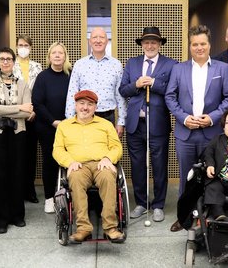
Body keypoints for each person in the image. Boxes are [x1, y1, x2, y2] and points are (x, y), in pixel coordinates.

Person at [165, 25, 228, 232]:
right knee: (186, 177)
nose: (199, 48)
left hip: (211, 133)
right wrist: (184, 118)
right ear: (190, 46)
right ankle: (184, 217)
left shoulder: (222, 69)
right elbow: (170, 96)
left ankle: (212, 214)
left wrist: (212, 118)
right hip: (185, 134)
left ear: (209, 45)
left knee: (212, 175)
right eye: (195, 44)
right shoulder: (179, 69)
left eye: (203, 43)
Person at [119, 27, 177, 222]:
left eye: (154, 42)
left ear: (159, 44)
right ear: (142, 45)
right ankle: (142, 203)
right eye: (146, 42)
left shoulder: (170, 64)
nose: (150, 45)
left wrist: (153, 82)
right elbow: (123, 90)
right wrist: (136, 85)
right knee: (137, 165)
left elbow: (173, 89)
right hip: (136, 123)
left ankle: (158, 204)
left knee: (159, 165)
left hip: (158, 123)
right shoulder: (132, 63)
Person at [53, 90, 125, 243]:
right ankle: (83, 228)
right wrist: (70, 162)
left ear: (95, 107)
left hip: (101, 163)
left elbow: (116, 147)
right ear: (75, 105)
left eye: (90, 104)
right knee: (76, 179)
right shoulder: (64, 126)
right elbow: (57, 150)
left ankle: (110, 227)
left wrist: (108, 158)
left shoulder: (105, 124)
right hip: (78, 165)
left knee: (107, 177)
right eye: (82, 103)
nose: (85, 108)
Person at [0, 47, 33, 234]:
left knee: (17, 173)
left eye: (9, 59)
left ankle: (16, 215)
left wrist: (16, 109)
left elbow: (28, 112)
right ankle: (0, 219)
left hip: (17, 132)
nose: (5, 62)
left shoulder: (23, 84)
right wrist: (19, 107)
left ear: (13, 62)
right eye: (2, 59)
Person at [65, 27, 127, 137]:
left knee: (106, 151)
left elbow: (120, 95)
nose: (98, 40)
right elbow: (72, 92)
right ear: (90, 42)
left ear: (107, 41)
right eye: (94, 37)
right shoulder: (80, 64)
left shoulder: (116, 65)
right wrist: (70, 120)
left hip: (108, 117)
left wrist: (121, 121)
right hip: (83, 116)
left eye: (102, 37)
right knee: (85, 152)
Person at [32, 42, 71, 213]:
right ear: (49, 57)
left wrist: (67, 122)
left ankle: (66, 196)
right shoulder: (42, 77)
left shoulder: (70, 75)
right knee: (50, 162)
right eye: (54, 53)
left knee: (69, 162)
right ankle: (49, 198)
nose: (57, 55)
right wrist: (53, 121)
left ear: (65, 56)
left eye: (60, 53)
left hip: (69, 127)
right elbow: (37, 103)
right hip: (47, 126)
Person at [13, 34, 43, 204]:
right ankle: (17, 190)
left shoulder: (37, 67)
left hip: (32, 117)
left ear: (30, 48)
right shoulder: (10, 65)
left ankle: (30, 190)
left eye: (26, 45)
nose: (23, 48)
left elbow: (38, 92)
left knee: (31, 155)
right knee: (17, 155)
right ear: (16, 47)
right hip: (16, 116)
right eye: (20, 45)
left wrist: (34, 110)